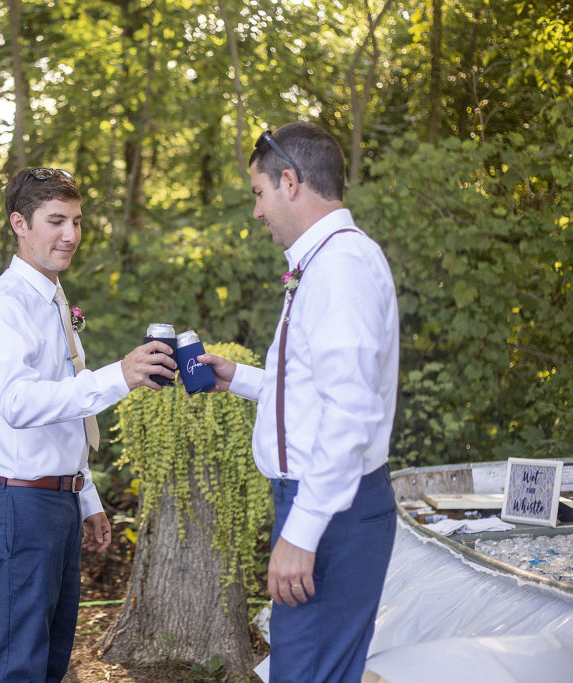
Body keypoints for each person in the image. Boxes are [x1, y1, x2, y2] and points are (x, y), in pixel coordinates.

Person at [199, 122, 400, 682]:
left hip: (331, 510)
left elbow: (350, 411)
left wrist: (303, 531)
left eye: (259, 193)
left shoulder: (339, 268)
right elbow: (314, 392)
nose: (257, 212)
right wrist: (236, 378)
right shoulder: (327, 262)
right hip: (327, 502)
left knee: (306, 673)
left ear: (290, 182)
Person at [0, 167, 176, 682]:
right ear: (20, 223)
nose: (71, 235)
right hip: (19, 508)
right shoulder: (3, 308)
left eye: (77, 222)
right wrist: (119, 376)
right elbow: (18, 403)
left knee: (53, 662)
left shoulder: (56, 301)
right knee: (19, 667)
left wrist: (85, 498)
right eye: (56, 220)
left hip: (57, 504)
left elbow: (63, 415)